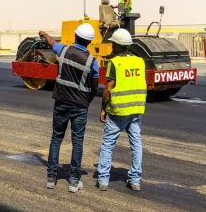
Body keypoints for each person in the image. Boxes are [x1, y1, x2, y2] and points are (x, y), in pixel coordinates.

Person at [39, 23, 99, 193]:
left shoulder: (63, 50)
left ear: (75, 36)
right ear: (90, 42)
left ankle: (51, 177)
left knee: (56, 138)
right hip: (80, 105)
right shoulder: (92, 62)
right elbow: (94, 87)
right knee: (77, 142)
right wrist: (87, 100)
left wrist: (44, 33)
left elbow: (51, 42)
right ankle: (73, 181)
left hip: (61, 102)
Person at [97, 28, 147, 191]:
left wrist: (103, 109)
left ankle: (103, 180)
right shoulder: (139, 61)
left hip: (118, 111)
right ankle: (135, 180)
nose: (111, 47)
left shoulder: (114, 63)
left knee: (107, 145)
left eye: (113, 44)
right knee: (136, 144)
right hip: (137, 109)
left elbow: (107, 90)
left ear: (118, 45)